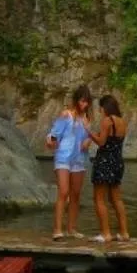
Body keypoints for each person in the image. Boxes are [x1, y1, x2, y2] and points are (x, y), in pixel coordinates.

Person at [46, 85, 93, 240]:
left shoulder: (87, 118)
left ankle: (71, 228)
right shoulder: (66, 115)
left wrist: (88, 142)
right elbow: (54, 134)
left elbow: (88, 137)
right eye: (82, 101)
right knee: (63, 192)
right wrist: (51, 142)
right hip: (63, 157)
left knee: (76, 194)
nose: (84, 105)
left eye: (87, 102)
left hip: (79, 158)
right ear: (76, 100)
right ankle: (57, 229)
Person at [86, 95, 129, 243]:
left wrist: (89, 133)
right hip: (118, 162)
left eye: (100, 108)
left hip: (104, 162)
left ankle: (106, 234)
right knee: (116, 199)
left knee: (99, 199)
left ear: (105, 107)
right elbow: (114, 141)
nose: (100, 111)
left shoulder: (107, 121)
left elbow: (102, 142)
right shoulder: (122, 122)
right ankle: (124, 233)